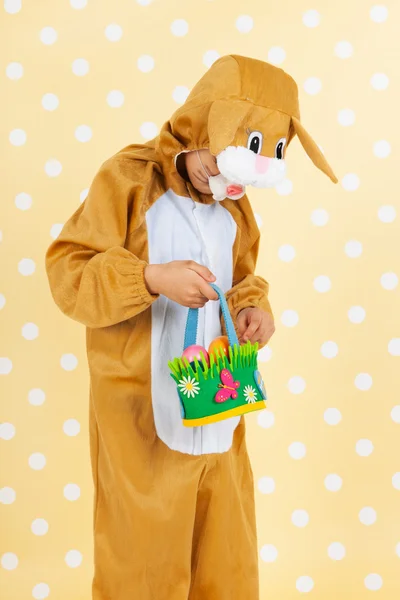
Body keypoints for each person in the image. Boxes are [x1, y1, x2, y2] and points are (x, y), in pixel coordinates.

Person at [45, 54, 336, 600]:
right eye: (223, 163)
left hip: (218, 405)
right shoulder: (129, 180)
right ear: (202, 124)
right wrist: (151, 278)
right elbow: (69, 272)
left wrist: (254, 309)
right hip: (141, 419)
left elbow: (244, 274)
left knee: (224, 554)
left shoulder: (235, 206)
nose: (228, 185)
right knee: (142, 559)